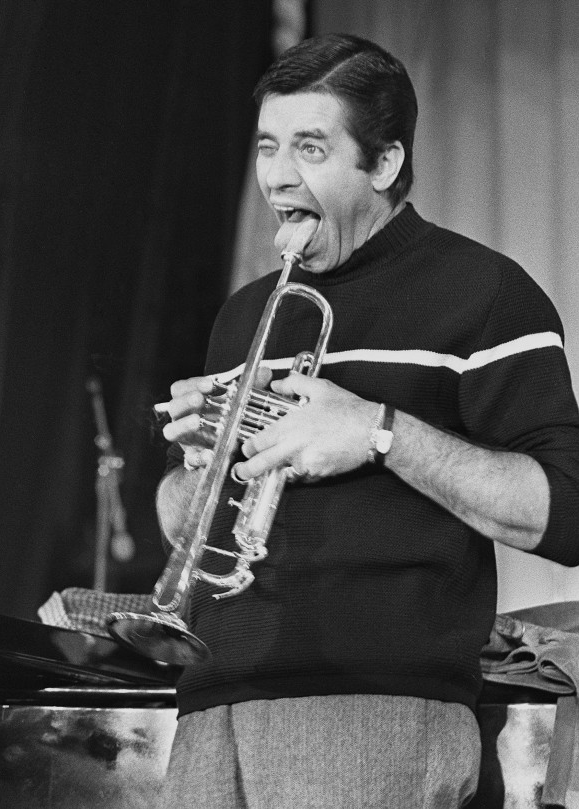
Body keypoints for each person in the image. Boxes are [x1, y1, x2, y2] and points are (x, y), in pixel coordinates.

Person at [155, 34, 579, 809]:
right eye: (268, 146)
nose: (278, 175)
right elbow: (194, 527)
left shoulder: (483, 292)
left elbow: (568, 513)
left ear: (382, 164)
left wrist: (380, 429)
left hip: (373, 707)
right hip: (213, 704)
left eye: (311, 148)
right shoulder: (247, 313)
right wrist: (196, 469)